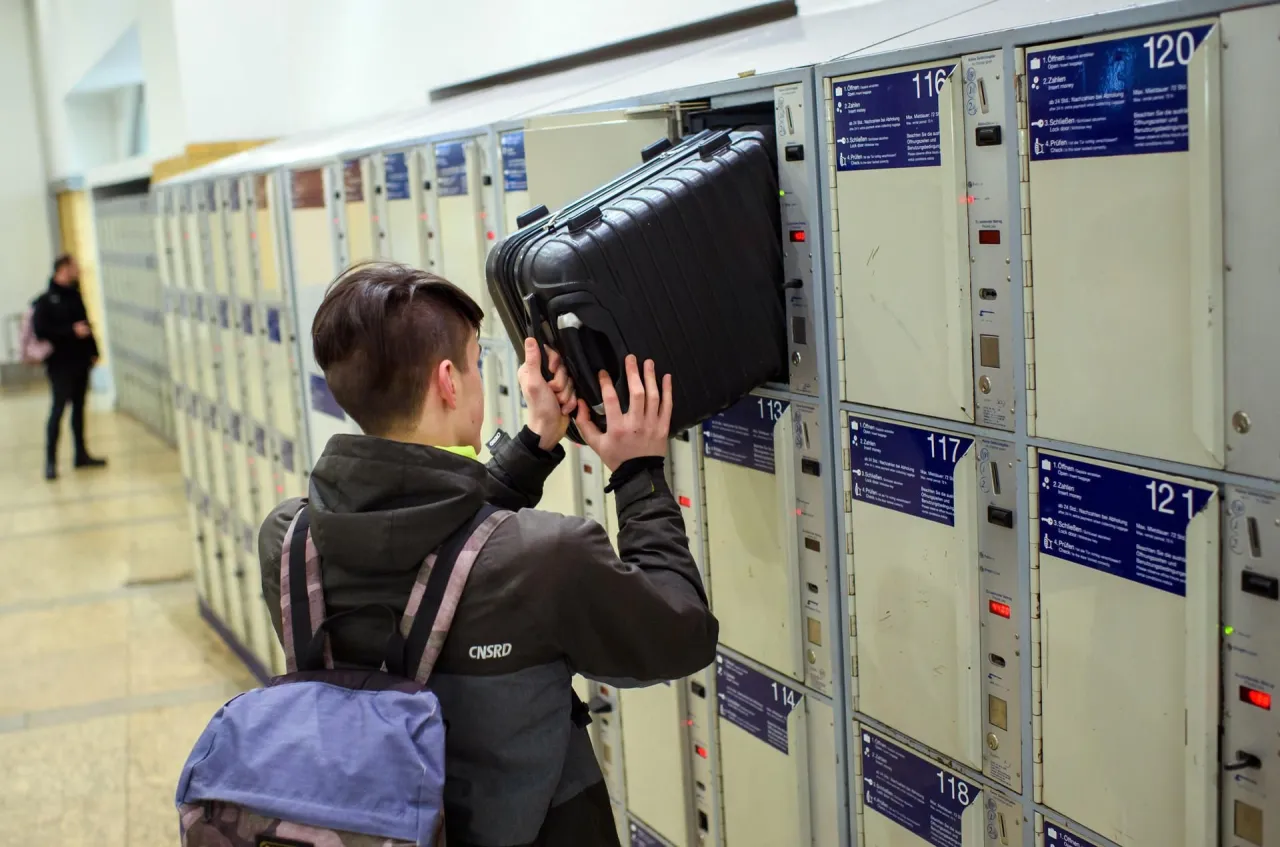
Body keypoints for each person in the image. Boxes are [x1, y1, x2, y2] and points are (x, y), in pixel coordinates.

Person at [256, 261, 718, 847]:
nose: (478, 382)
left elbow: (433, 551)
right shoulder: (546, 558)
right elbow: (680, 634)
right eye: (477, 363)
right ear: (448, 381)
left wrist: (535, 443)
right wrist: (639, 474)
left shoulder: (289, 544)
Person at [31, 254, 107, 480]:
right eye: (74, 267)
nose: (78, 270)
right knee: (58, 410)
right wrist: (70, 331)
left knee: (79, 410)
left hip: (80, 361)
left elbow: (86, 322)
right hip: (60, 365)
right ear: (63, 269)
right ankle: (51, 461)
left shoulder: (75, 295)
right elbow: (41, 331)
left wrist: (95, 351)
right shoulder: (45, 301)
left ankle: (81, 454)